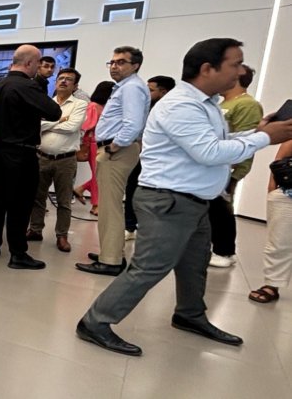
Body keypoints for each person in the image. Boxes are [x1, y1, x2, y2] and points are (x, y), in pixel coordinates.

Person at [76, 38, 292, 357]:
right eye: (234, 64)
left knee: (194, 264)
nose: (240, 71)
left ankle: (189, 314)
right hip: (168, 201)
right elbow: (209, 152)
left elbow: (212, 141)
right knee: (150, 267)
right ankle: (95, 321)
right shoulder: (181, 105)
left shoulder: (205, 104)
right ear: (207, 69)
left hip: (192, 200)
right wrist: (264, 138)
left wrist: (256, 131)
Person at [0, 45, 62, 270]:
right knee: (20, 203)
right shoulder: (27, 86)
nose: (39, 68)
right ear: (28, 63)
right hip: (21, 153)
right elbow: (54, 112)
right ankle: (18, 254)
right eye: (38, 63)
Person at [76, 46, 150, 277]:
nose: (114, 66)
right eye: (112, 62)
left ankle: (111, 261)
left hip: (117, 151)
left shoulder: (132, 88)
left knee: (110, 208)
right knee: (111, 206)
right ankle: (111, 253)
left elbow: (133, 124)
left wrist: (113, 147)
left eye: (121, 62)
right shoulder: (127, 87)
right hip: (117, 150)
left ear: (135, 65)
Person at [27, 68, 87, 253]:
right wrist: (61, 120)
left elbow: (72, 127)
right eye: (61, 78)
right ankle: (35, 230)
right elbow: (35, 125)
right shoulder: (46, 103)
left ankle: (62, 235)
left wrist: (49, 124)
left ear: (75, 86)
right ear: (56, 82)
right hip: (42, 157)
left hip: (65, 160)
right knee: (37, 197)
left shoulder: (80, 104)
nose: (63, 81)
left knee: (64, 201)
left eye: (68, 79)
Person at [210, 65, 263, 268]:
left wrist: (236, 170)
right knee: (211, 209)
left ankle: (224, 251)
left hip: (228, 166)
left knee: (221, 209)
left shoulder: (247, 105)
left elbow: (247, 140)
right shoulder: (222, 103)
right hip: (215, 164)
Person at [124, 76, 176, 240]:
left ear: (163, 92)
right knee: (131, 190)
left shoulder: (172, 112)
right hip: (140, 156)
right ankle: (129, 227)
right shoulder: (144, 107)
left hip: (161, 161)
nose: (146, 93)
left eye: (151, 90)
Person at [249, 140, 292, 304]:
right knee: (279, 243)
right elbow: (278, 160)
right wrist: (272, 191)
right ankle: (272, 285)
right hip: (288, 194)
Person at [74, 81, 115, 216]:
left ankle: (82, 189)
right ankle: (95, 205)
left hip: (101, 143)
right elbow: (86, 125)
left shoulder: (102, 106)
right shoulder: (93, 106)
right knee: (98, 174)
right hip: (93, 143)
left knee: (101, 173)